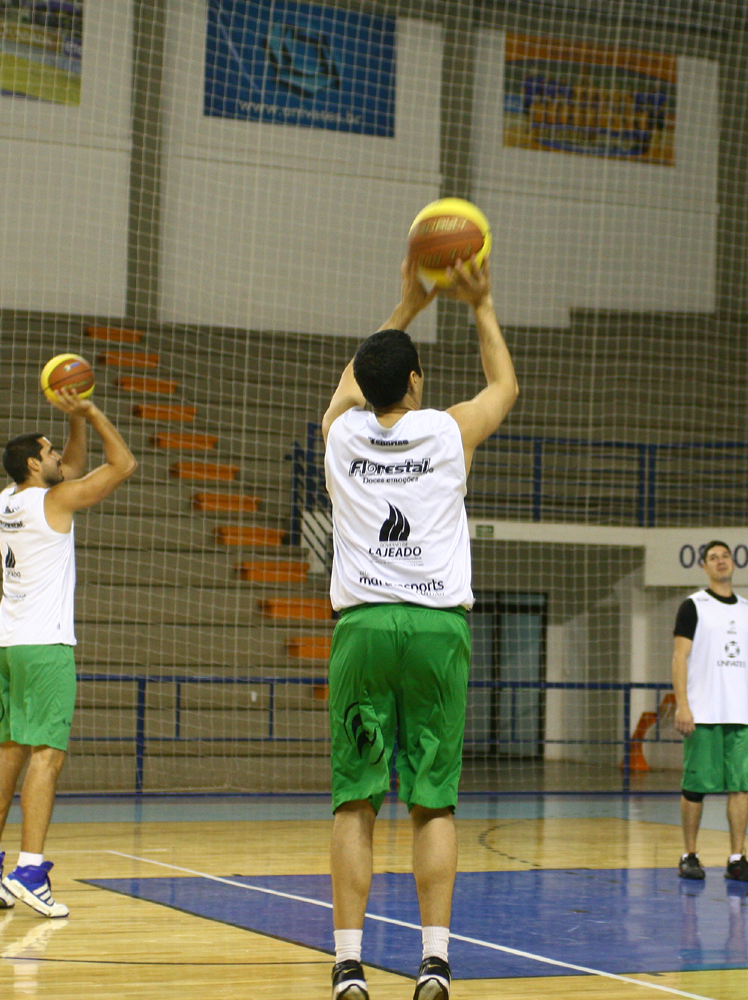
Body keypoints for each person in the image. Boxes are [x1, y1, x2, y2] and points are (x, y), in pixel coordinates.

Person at [321, 255, 517, 1000]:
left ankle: (348, 966)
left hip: (364, 628)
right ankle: (434, 960)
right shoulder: (445, 431)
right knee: (432, 801)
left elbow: (351, 382)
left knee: (356, 801)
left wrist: (403, 304)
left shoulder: (340, 436)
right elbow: (504, 387)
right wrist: (480, 304)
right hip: (437, 631)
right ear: (414, 383)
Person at [0, 387, 136, 917]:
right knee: (48, 756)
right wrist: (90, 411)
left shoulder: (8, 499)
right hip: (45, 645)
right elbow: (123, 463)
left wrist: (71, 428)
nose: (61, 457)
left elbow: (74, 466)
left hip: (7, 643)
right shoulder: (55, 500)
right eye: (52, 452)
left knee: (11, 749)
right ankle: (31, 869)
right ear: (36, 463)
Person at [672, 540, 748, 884]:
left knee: (740, 787)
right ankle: (689, 855)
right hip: (703, 712)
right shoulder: (693, 606)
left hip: (739, 714)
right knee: (695, 786)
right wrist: (683, 704)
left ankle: (737, 858)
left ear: (733, 563)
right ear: (704, 567)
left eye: (725, 556)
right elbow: (679, 657)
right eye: (713, 558)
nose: (720, 561)